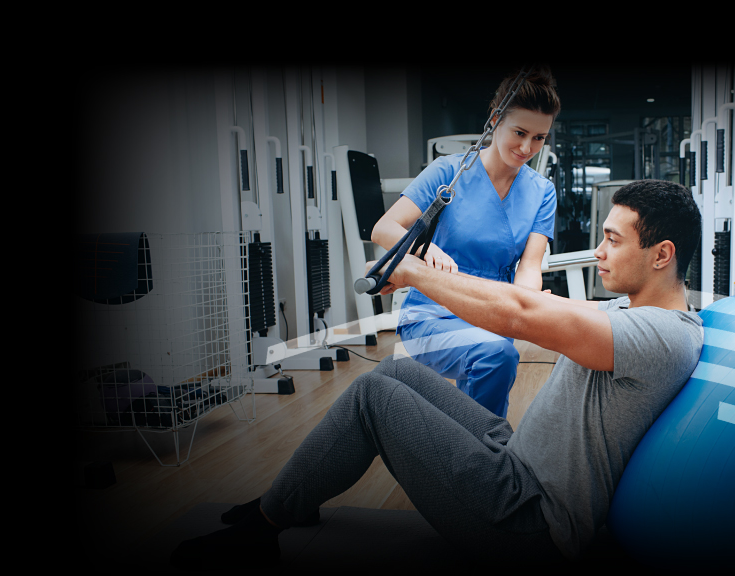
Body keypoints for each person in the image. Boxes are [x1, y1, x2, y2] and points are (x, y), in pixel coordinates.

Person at [171, 180, 704, 569]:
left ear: (661, 254)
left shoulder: (662, 336)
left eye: (613, 239)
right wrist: (425, 276)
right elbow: (519, 297)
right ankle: (292, 497)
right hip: (515, 458)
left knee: (375, 399)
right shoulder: (635, 315)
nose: (598, 250)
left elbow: (522, 317)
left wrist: (411, 272)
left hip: (526, 517)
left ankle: (264, 527)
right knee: (397, 376)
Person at [370, 67, 560, 419]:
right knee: (495, 355)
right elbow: (384, 228)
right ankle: (482, 457)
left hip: (493, 311)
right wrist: (425, 250)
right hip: (431, 310)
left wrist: (528, 302)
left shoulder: (542, 191)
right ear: (494, 119)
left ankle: (473, 456)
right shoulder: (448, 172)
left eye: (539, 138)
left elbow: (530, 266)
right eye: (519, 132)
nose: (526, 147)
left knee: (494, 352)